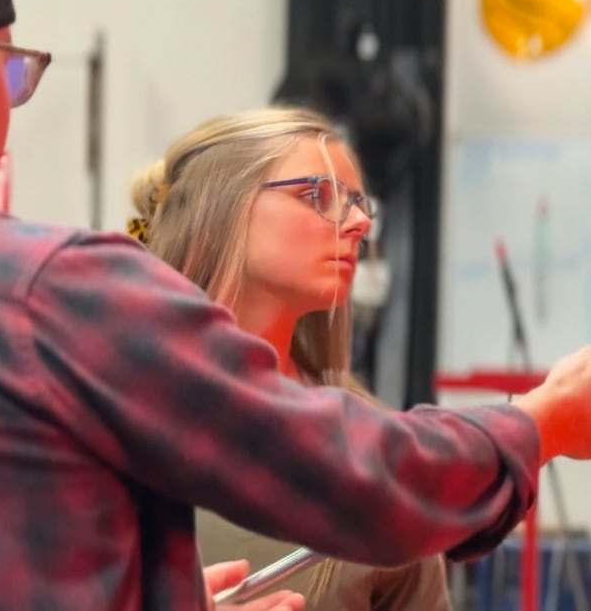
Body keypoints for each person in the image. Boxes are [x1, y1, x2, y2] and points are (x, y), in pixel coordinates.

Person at [0, 0, 591, 611]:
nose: (351, 225)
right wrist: (541, 422)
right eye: (14, 74)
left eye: (356, 201)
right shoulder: (41, 290)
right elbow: (367, 482)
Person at [125, 105, 454, 611]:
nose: (362, 223)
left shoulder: (375, 452)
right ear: (222, 209)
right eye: (318, 195)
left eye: (358, 203)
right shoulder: (103, 423)